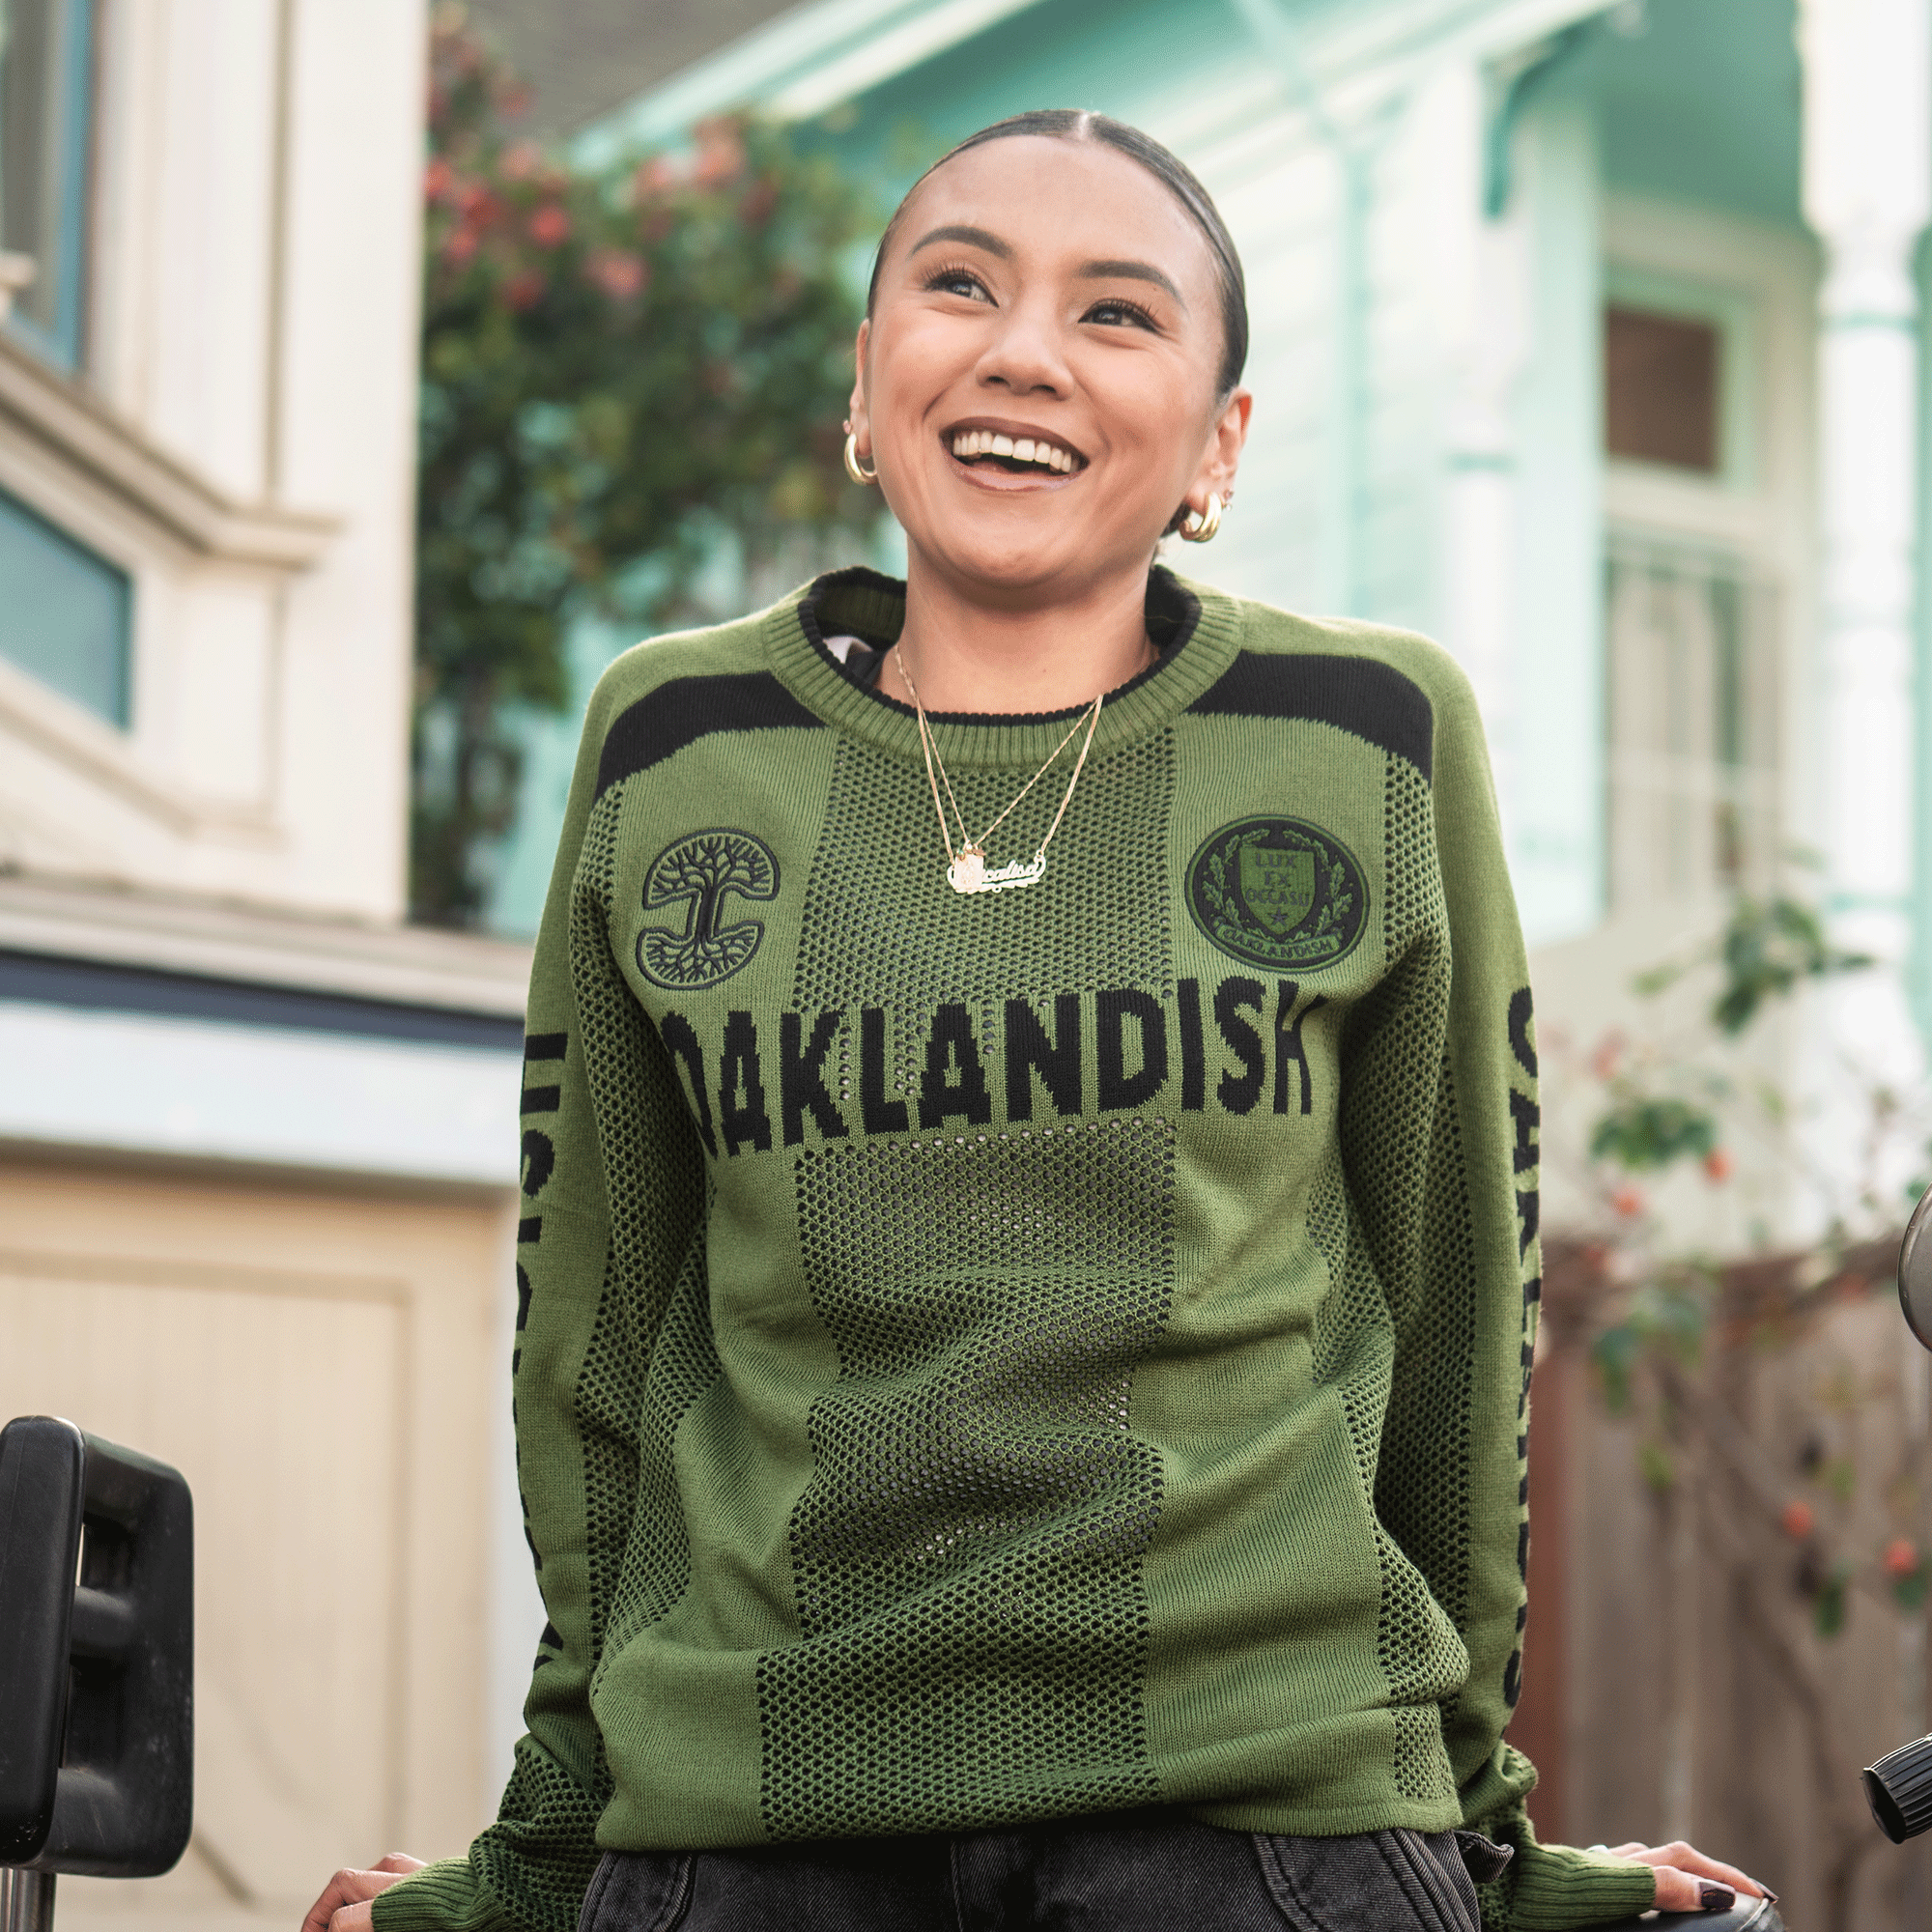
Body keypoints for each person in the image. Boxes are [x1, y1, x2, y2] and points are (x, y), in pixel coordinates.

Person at [304, 111, 1775, 1932]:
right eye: (960, 284)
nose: (1021, 352)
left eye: (1119, 315)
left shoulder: (1371, 741)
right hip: (749, 1847)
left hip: (1270, 1834)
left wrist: (1481, 1847)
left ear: (1218, 444)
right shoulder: (676, 749)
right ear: (868, 382)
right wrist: (532, 1866)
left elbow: (1465, 1322)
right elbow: (598, 1355)